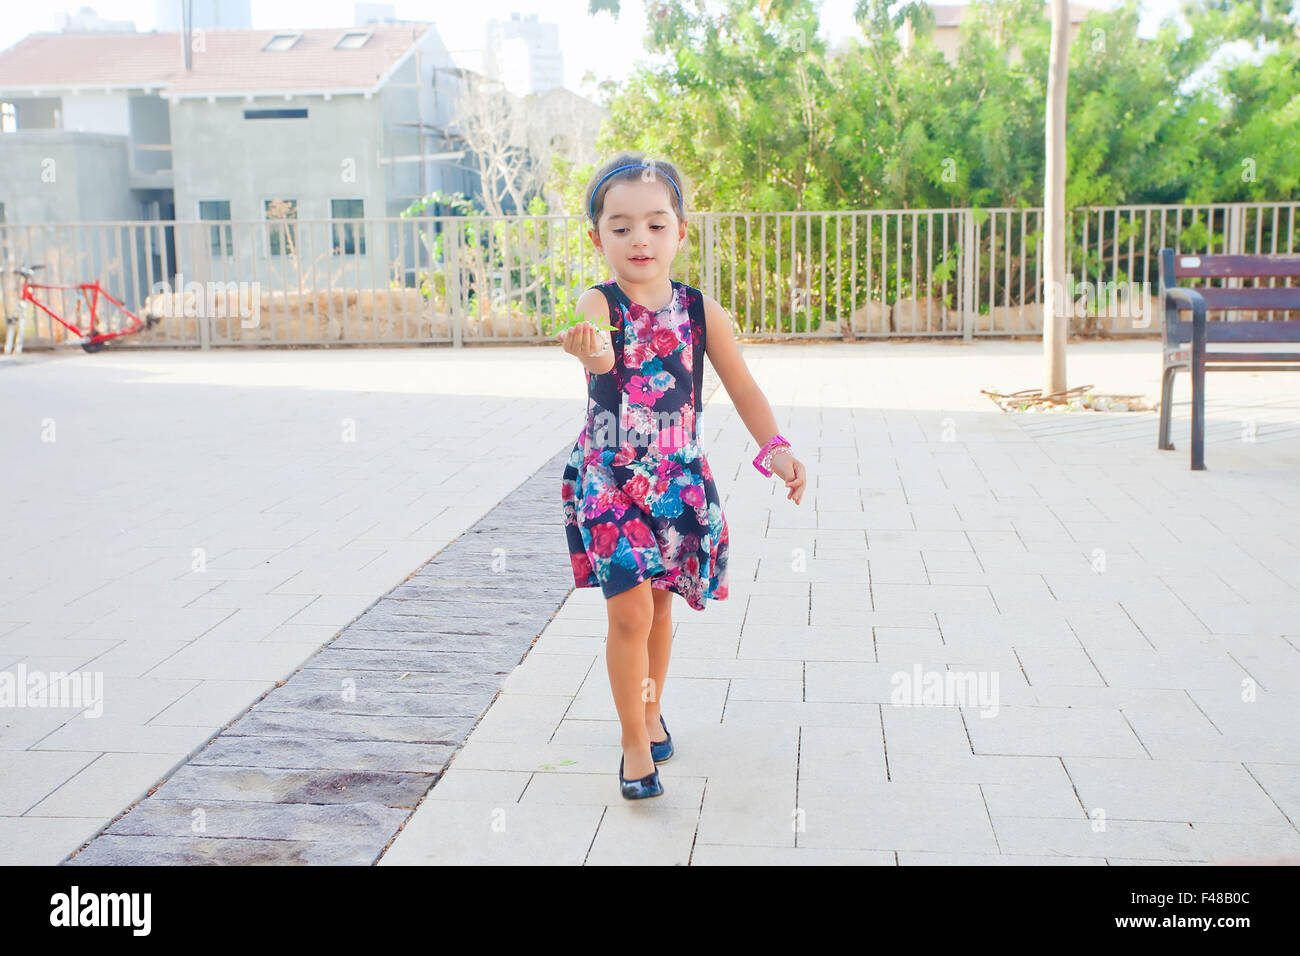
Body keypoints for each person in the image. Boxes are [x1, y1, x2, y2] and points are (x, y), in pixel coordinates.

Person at [557, 152, 806, 801]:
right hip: (609, 481)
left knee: (661, 612)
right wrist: (594, 348)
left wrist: (775, 449)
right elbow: (604, 346)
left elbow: (743, 386)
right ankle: (634, 747)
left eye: (655, 224)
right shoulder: (599, 301)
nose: (639, 238)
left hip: (676, 480)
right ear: (598, 237)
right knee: (632, 613)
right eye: (620, 226)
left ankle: (649, 708)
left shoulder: (700, 311)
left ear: (679, 232)